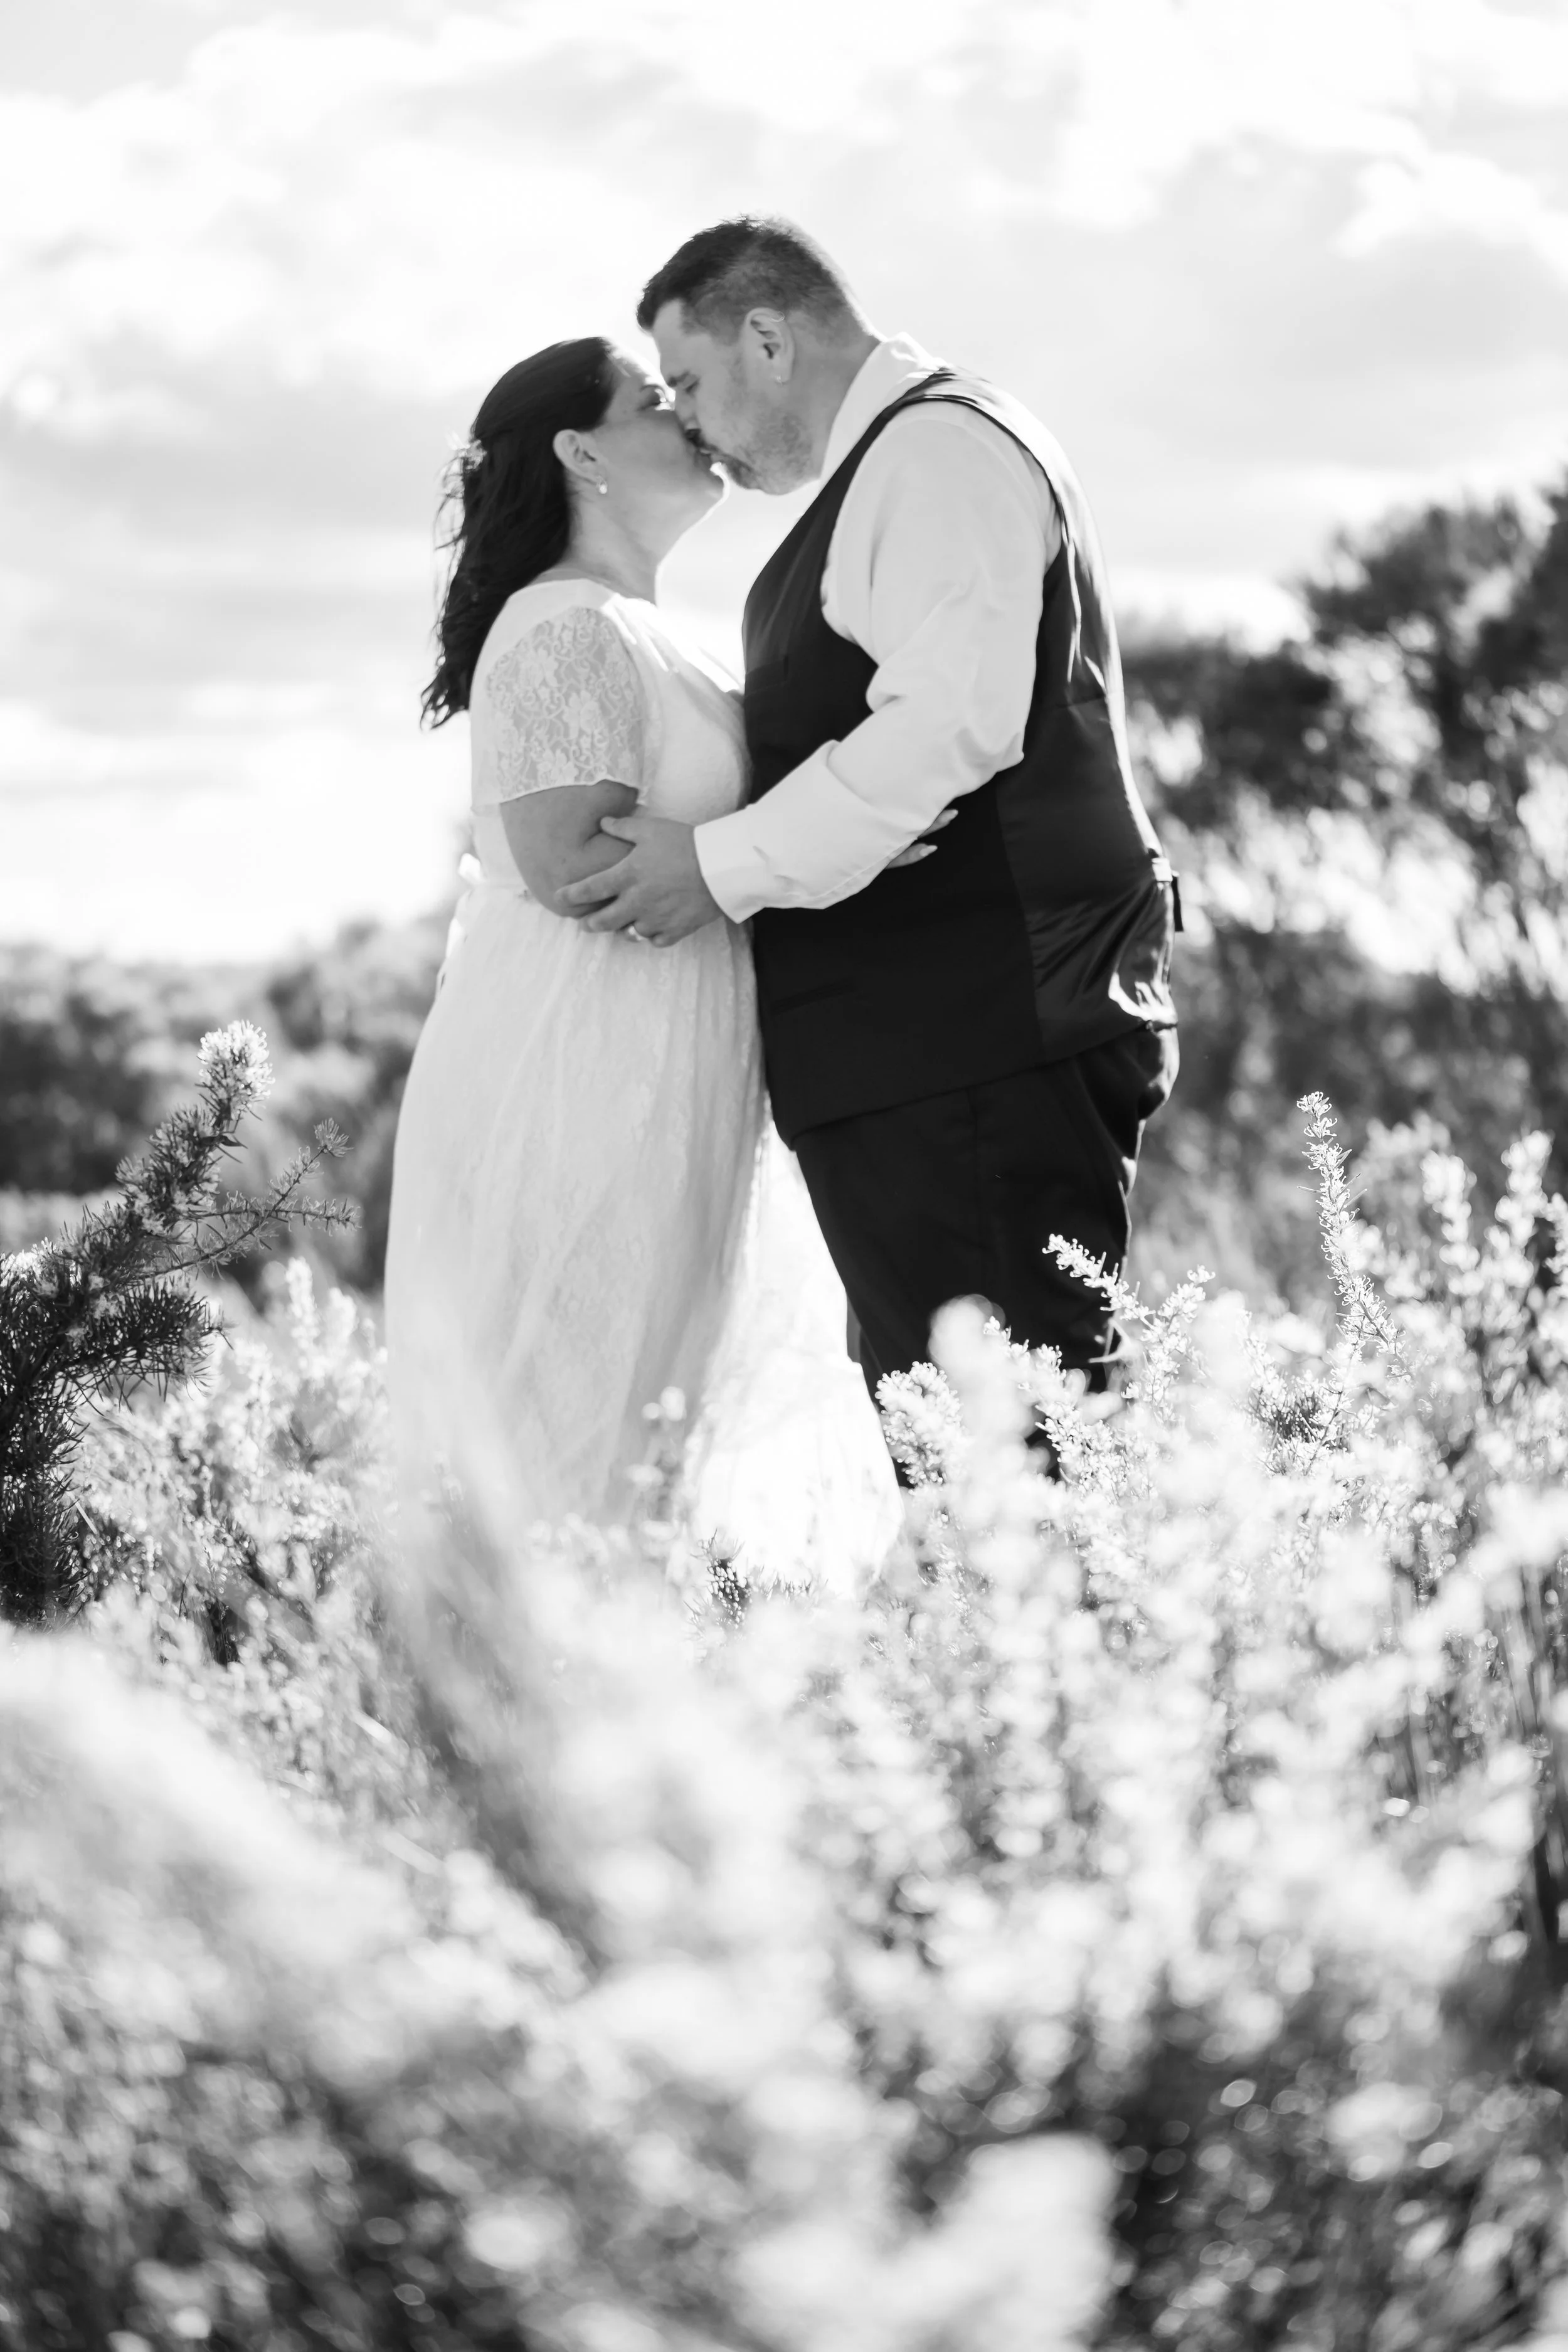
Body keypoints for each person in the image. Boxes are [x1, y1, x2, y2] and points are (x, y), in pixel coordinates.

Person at [560, 218, 1180, 1404]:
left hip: (982, 1047)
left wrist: (718, 863)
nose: (687, 420)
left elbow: (949, 727)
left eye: (690, 382)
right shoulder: (894, 465)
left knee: (1016, 1455)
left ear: (770, 339)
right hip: (937, 1057)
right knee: (969, 1457)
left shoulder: (938, 453)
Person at [383, 335, 906, 1540]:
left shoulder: (640, 628)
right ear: (582, 452)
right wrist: (797, 845)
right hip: (576, 1077)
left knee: (642, 1439)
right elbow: (575, 866)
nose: (689, 417)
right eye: (653, 399)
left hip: (661, 1074)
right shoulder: (570, 624)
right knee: (571, 1432)